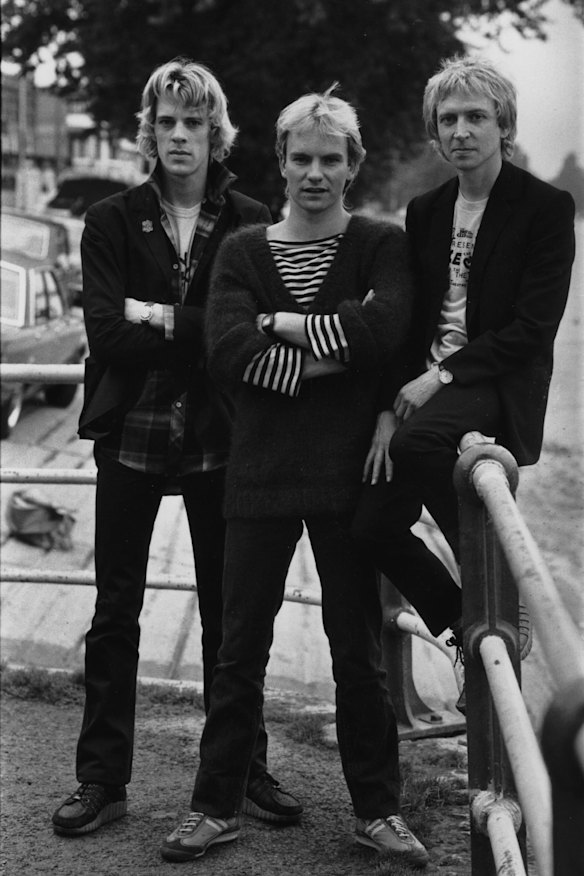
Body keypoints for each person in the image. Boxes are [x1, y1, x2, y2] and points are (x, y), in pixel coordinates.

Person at [160, 87, 430, 868]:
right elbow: (227, 351)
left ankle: (377, 811)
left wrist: (283, 329)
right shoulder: (245, 250)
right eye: (301, 158)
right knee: (239, 648)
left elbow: (388, 329)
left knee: (359, 654)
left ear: (354, 166)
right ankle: (214, 806)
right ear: (280, 162)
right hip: (261, 472)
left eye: (330, 160)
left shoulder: (379, 245)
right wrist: (337, 357)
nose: (315, 173)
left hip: (351, 477)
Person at [51, 57, 302, 837]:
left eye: (195, 121)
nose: (181, 134)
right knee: (115, 611)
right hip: (132, 434)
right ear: (149, 133)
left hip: (220, 440)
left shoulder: (252, 221)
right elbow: (105, 336)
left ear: (215, 133)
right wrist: (196, 331)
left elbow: (240, 339)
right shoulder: (111, 221)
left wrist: (158, 316)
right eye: (168, 121)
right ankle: (102, 780)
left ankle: (242, 769)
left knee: (233, 617)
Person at [352, 55, 576, 687]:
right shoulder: (426, 211)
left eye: (476, 117)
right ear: (434, 131)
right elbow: (409, 320)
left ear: (502, 125)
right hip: (424, 389)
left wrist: (441, 378)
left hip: (490, 384)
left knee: (421, 440)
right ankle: (465, 618)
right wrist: (380, 415)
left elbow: (532, 330)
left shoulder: (545, 208)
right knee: (369, 527)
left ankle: (496, 579)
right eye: (447, 119)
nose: (460, 131)